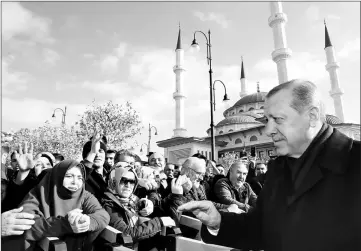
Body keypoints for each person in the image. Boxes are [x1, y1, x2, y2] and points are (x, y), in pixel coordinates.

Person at [177, 79, 361, 251]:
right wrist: (218, 221)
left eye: (278, 120)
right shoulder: (279, 168)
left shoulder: (354, 162)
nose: (268, 130)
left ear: (312, 117)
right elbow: (262, 227)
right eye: (267, 120)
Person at [9, 159, 110, 251]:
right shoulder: (38, 194)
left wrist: (87, 222)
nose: (75, 182)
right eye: (69, 176)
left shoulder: (84, 195)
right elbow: (25, 224)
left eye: (80, 178)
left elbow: (103, 214)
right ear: (57, 176)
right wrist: (65, 224)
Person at [102, 165, 176, 251]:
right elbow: (127, 234)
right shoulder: (109, 205)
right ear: (113, 182)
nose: (128, 185)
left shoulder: (132, 200)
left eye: (132, 181)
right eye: (123, 181)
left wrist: (145, 204)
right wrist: (159, 222)